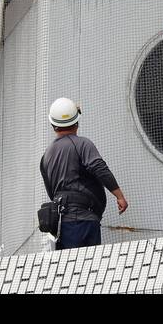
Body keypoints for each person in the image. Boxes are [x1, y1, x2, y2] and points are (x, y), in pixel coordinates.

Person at [39, 98, 128, 249]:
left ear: (53, 125)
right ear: (77, 121)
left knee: (69, 268)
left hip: (62, 224)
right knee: (88, 266)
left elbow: (51, 192)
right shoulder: (82, 144)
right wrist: (119, 196)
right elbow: (100, 168)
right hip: (82, 220)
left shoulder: (46, 156)